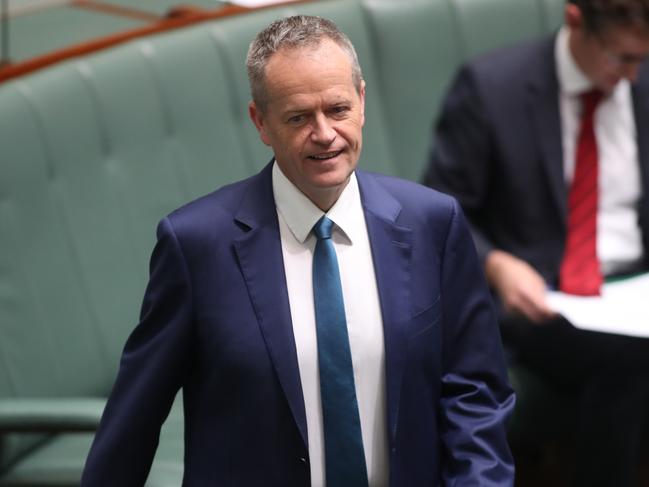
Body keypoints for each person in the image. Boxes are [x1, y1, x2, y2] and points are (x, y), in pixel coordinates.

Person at [81, 15, 514, 486]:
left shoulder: (433, 223)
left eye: (338, 109)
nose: (325, 133)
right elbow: (135, 419)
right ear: (260, 122)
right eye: (298, 117)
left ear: (362, 102)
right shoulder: (195, 246)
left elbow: (475, 391)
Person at [425, 0, 649, 486]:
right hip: (542, 296)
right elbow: (440, 210)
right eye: (620, 59)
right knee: (631, 359)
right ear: (575, 20)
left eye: (642, 61)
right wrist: (497, 264)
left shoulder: (642, 78)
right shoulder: (491, 88)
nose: (632, 76)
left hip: (637, 284)